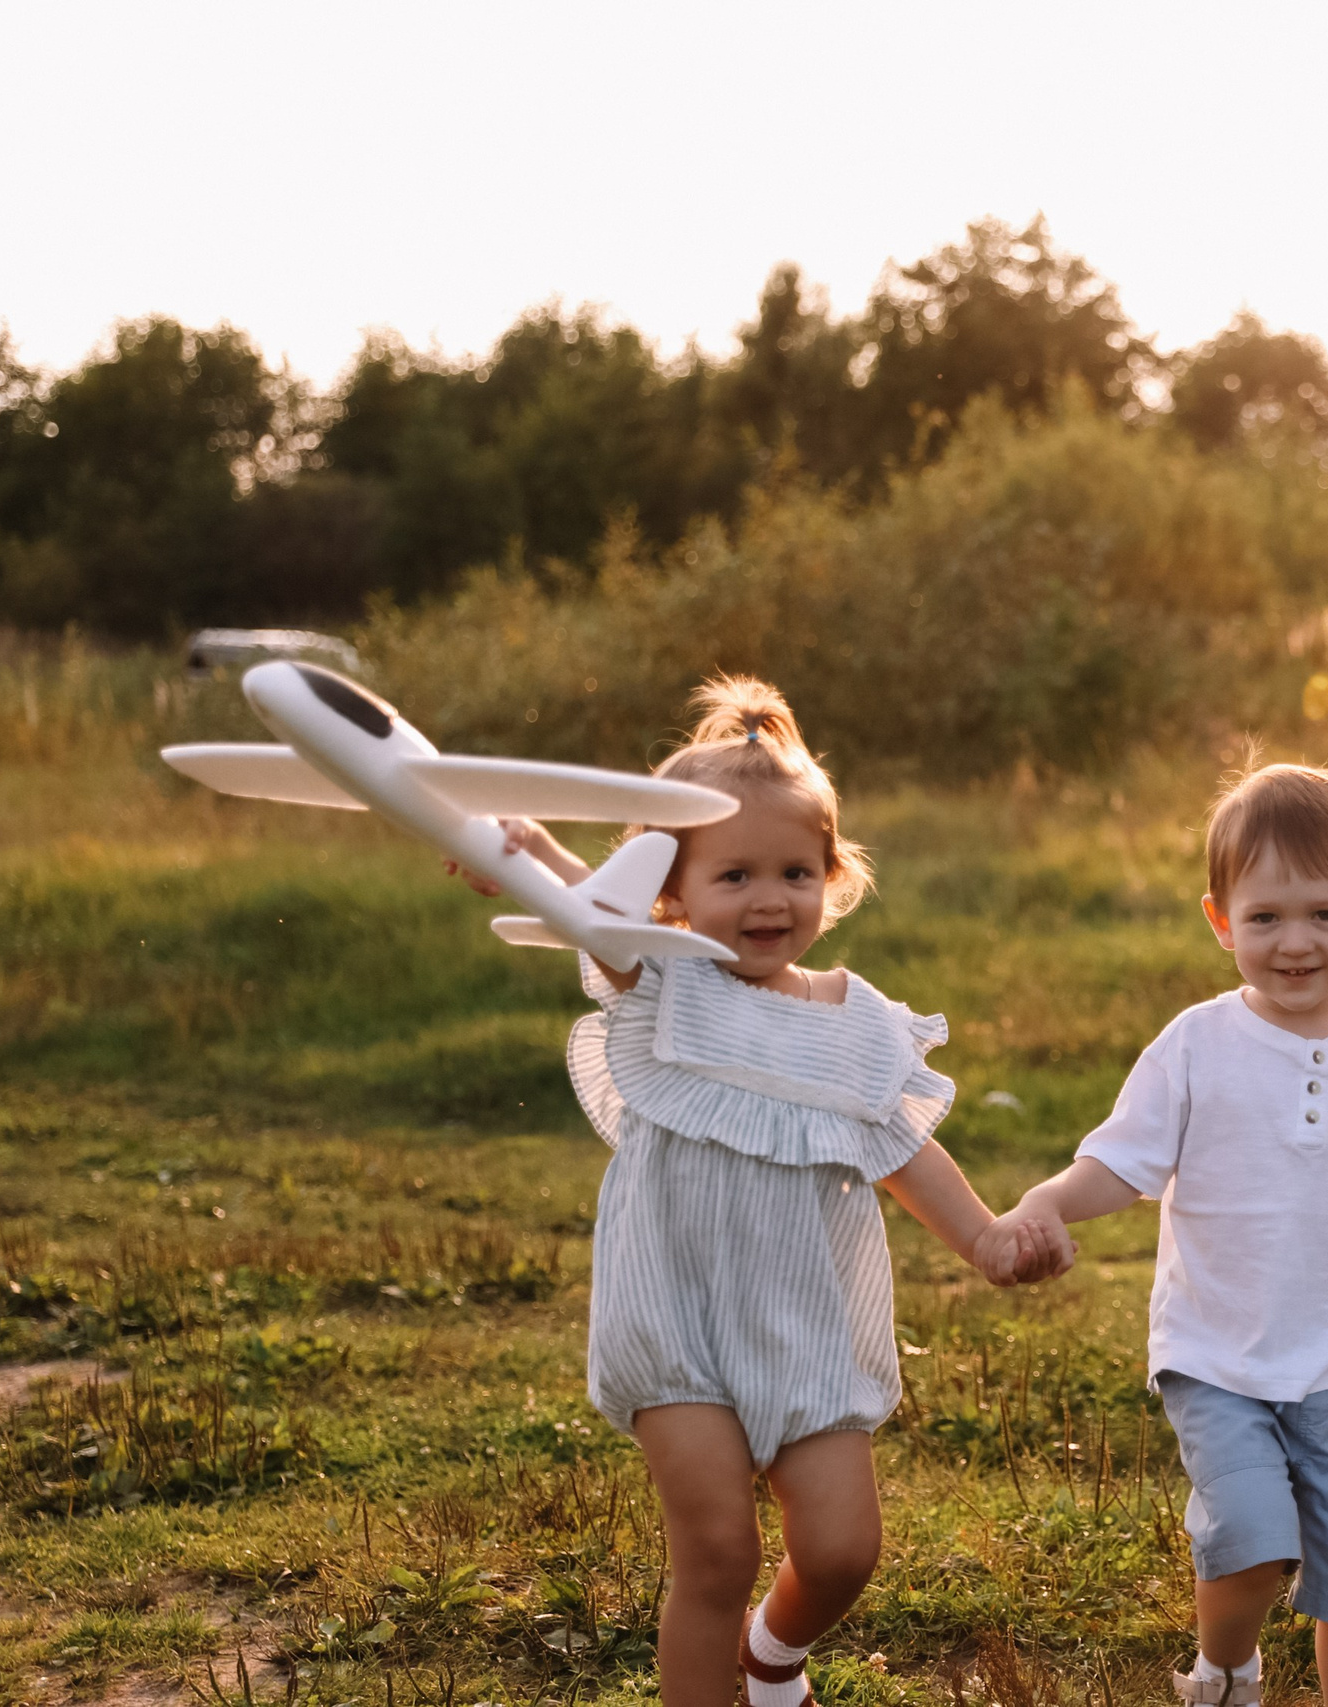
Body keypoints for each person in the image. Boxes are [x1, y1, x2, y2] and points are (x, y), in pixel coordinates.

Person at [454, 675, 1062, 1707]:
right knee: (718, 1554)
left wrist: (988, 1240)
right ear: (672, 893)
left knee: (840, 1551)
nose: (769, 898)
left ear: (833, 876)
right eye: (734, 874)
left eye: (795, 870)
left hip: (803, 1324)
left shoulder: (859, 1024)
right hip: (674, 1316)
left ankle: (773, 1655)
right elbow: (581, 906)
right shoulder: (662, 976)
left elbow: (901, 1149)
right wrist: (526, 852)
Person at [975, 763, 1328, 1707]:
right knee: (1251, 1540)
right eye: (1266, 918)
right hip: (1218, 1357)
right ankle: (1227, 1670)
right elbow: (1119, 1165)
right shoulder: (1196, 1045)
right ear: (1221, 920)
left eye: (1325, 915)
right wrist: (1043, 1199)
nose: (1296, 943)